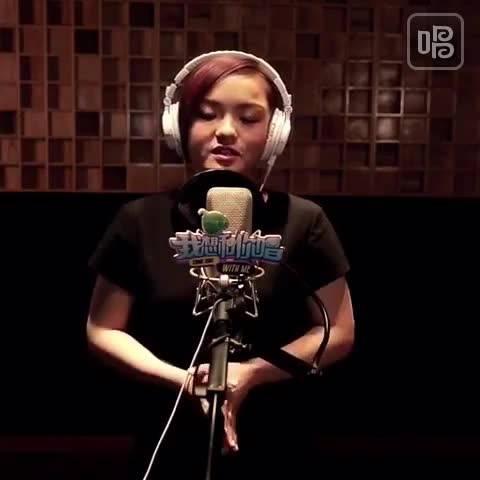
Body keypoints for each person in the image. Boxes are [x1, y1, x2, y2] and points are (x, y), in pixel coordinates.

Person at [86, 50, 355, 480]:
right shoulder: (139, 220)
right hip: (168, 438)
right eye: (206, 114)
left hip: (280, 443)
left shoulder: (304, 221)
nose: (226, 131)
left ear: (275, 132)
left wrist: (250, 374)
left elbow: (338, 331)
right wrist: (182, 380)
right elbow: (103, 329)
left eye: (248, 118)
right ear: (177, 126)